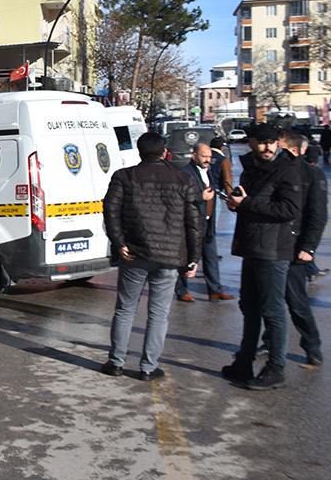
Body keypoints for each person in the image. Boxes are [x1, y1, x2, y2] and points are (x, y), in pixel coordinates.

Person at [101, 132, 200, 381]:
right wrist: (193, 257)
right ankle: (148, 367)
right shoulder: (184, 179)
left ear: (139, 152)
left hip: (134, 253)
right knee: (158, 313)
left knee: (125, 309)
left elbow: (110, 210)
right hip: (169, 256)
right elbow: (194, 223)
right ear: (165, 151)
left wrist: (119, 241)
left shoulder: (123, 176)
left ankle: (116, 363)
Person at [221, 123, 303, 390]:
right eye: (263, 142)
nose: (268, 147)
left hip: (273, 250)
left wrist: (246, 204)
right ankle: (244, 362)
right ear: (251, 143)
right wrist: (236, 205)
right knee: (250, 307)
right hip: (251, 246)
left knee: (273, 310)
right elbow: (251, 205)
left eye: (272, 143)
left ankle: (276, 368)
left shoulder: (286, 170)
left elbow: (289, 209)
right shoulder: (251, 169)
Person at [278, 130, 327, 367]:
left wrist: (309, 247)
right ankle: (271, 342)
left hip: (296, 248)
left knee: (296, 301)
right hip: (272, 246)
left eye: (280, 147)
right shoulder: (274, 171)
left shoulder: (312, 175)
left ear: (294, 150)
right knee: (269, 301)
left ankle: (312, 345)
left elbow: (317, 216)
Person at [174, 143, 233, 302]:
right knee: (187, 257)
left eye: (209, 157)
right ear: (194, 156)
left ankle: (215, 290)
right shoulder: (185, 173)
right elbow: (180, 196)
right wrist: (201, 197)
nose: (207, 160)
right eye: (204, 157)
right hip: (192, 223)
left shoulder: (209, 171)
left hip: (208, 222)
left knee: (211, 257)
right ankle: (182, 290)